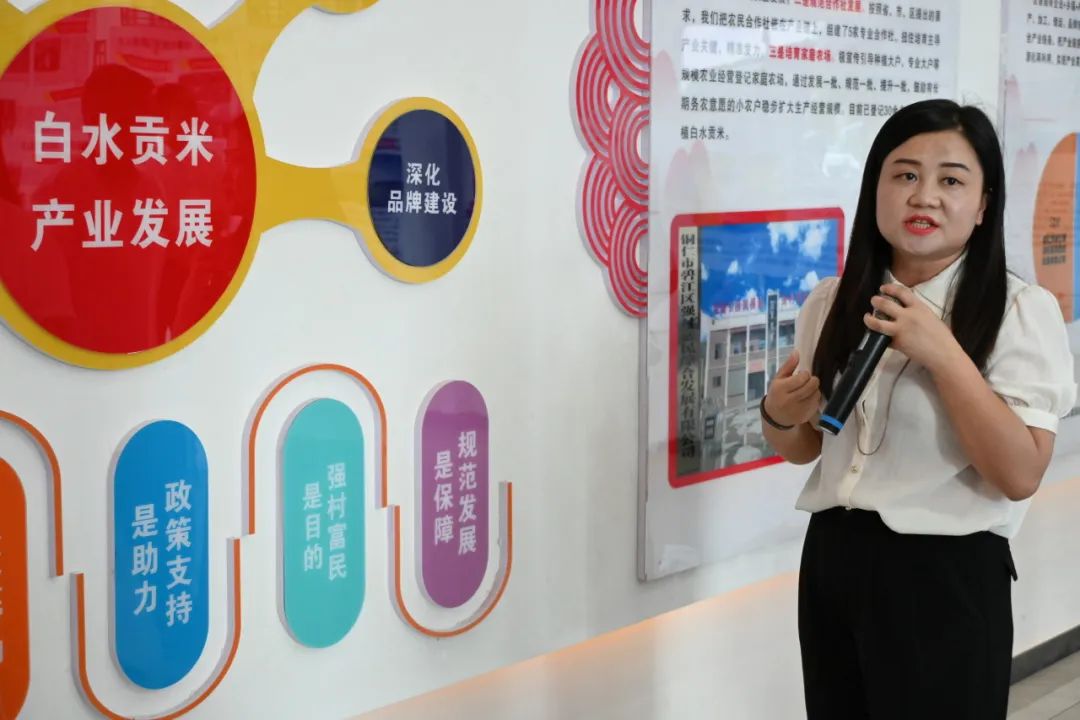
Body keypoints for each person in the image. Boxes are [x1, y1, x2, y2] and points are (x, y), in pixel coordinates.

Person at [759, 98, 1077, 719]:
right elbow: (808, 448)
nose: (924, 196)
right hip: (833, 559)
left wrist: (943, 354)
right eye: (904, 174)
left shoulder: (1018, 311)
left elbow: (1020, 474)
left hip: (944, 573)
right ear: (874, 188)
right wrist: (778, 415)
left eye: (951, 181)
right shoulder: (831, 302)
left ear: (983, 205)